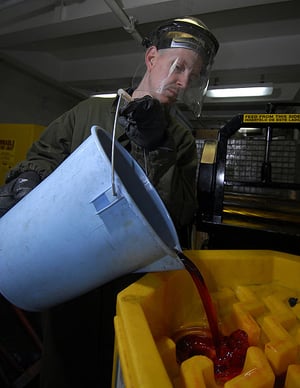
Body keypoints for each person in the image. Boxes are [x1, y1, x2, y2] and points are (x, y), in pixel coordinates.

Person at [0, 16, 219, 387]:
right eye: (178, 67)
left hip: (132, 278)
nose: (183, 82)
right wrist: (27, 179)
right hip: (70, 265)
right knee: (65, 363)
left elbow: (180, 211)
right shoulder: (91, 111)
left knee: (122, 366)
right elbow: (43, 155)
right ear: (151, 58)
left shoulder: (179, 137)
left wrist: (158, 147)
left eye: (192, 75)